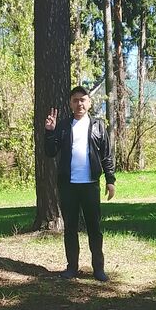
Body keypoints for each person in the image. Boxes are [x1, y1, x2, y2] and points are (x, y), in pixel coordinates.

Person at [44, 86, 116, 281]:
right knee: (70, 228)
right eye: (75, 100)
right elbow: (50, 152)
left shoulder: (98, 126)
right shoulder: (63, 126)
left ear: (89, 103)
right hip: (68, 185)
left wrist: (110, 180)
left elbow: (107, 156)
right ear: (70, 103)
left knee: (94, 228)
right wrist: (49, 132)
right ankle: (72, 268)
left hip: (91, 185)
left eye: (83, 100)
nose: (79, 104)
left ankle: (98, 269)